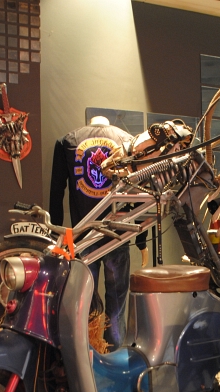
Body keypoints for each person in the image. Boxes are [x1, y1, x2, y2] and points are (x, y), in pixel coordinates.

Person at [49, 116, 146, 351]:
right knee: (116, 303)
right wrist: (141, 240)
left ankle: (86, 353)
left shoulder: (68, 141)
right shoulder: (127, 141)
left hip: (84, 237)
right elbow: (139, 191)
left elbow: (56, 190)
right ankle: (113, 353)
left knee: (84, 302)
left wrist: (56, 234)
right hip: (117, 235)